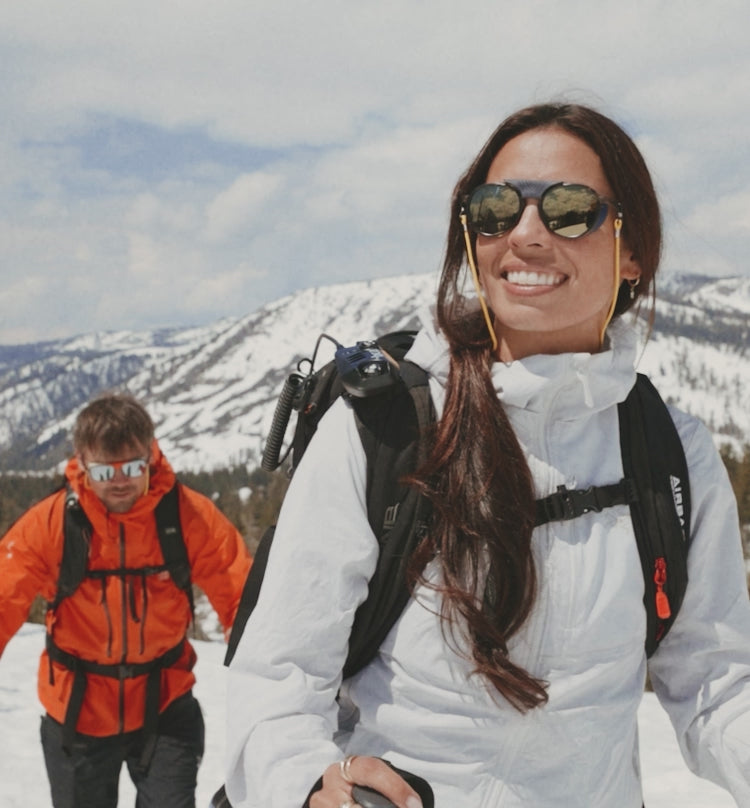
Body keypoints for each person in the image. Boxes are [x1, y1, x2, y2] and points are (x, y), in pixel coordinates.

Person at [222, 103, 750, 807]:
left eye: (568, 209)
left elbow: (716, 686)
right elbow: (277, 675)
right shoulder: (386, 429)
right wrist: (307, 786)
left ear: (633, 250)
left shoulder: (666, 452)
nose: (525, 234)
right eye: (495, 209)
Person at [0, 392, 253, 808]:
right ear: (81, 462)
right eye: (105, 470)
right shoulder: (52, 524)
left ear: (151, 455)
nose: (120, 480)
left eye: (133, 466)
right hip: (77, 714)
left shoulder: (187, 516)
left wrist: (269, 684)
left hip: (165, 704)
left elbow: (242, 597)